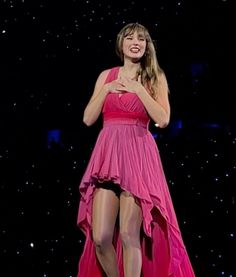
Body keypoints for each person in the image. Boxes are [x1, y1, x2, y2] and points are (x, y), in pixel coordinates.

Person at [77, 23, 195, 277]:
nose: (136, 42)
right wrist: (107, 89)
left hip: (138, 159)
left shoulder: (154, 77)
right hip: (107, 159)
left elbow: (163, 120)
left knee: (130, 234)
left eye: (141, 39)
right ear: (121, 44)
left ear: (147, 46)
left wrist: (140, 89)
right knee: (100, 237)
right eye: (130, 38)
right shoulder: (106, 75)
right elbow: (88, 119)